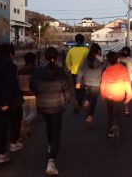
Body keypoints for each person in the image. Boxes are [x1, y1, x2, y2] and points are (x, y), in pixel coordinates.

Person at [30, 47, 72, 176]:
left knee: (49, 125)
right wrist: (66, 102)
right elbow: (66, 89)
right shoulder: (60, 72)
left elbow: (33, 87)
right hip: (57, 105)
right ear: (57, 57)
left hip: (43, 105)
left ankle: (50, 145)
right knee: (56, 130)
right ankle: (51, 159)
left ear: (44, 57)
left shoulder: (38, 72)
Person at [0, 43, 23, 164]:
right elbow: (9, 84)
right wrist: (6, 102)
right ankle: (13, 142)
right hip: (10, 101)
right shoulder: (10, 66)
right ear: (11, 53)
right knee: (15, 121)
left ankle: (1, 154)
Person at [100, 51, 132, 138]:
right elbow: (127, 83)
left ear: (108, 61)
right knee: (117, 112)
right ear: (118, 59)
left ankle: (111, 129)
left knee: (110, 112)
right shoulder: (123, 69)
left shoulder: (106, 71)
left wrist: (102, 94)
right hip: (119, 95)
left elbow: (103, 84)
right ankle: (116, 124)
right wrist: (129, 94)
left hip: (108, 95)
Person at [76, 43, 104, 126]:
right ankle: (90, 116)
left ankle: (86, 101)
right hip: (97, 81)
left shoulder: (86, 59)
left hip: (87, 81)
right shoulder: (101, 59)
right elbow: (104, 70)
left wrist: (78, 82)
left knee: (89, 92)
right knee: (94, 99)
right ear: (99, 51)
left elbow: (80, 71)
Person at [65, 33, 89, 114]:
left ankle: (77, 101)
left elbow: (67, 61)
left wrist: (70, 68)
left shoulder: (71, 50)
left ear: (75, 40)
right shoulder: (86, 50)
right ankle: (78, 102)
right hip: (84, 73)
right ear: (83, 40)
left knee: (76, 88)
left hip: (74, 72)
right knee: (82, 89)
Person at [18, 52, 37, 138]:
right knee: (33, 113)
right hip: (33, 94)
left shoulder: (20, 70)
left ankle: (26, 131)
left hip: (22, 94)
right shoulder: (35, 70)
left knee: (25, 112)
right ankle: (24, 123)